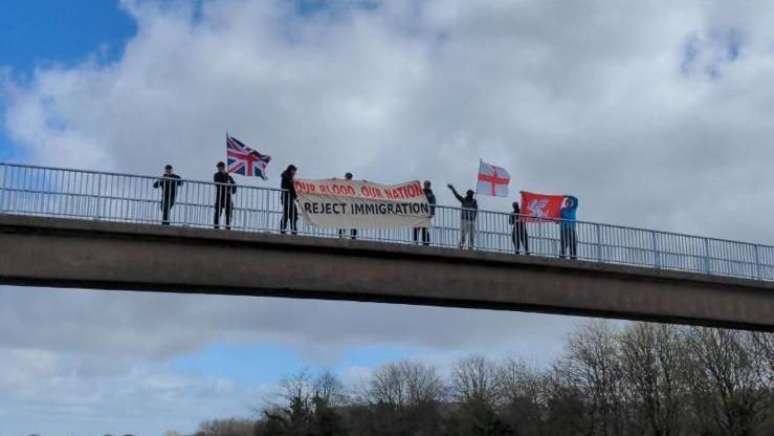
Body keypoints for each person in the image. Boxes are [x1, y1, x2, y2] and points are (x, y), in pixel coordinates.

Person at [448, 184, 478, 249]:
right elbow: (457, 195)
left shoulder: (474, 201)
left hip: (471, 220)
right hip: (464, 220)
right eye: (470, 194)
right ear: (467, 194)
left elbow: (476, 210)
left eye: (472, 194)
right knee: (463, 235)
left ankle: (470, 248)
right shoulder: (464, 200)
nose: (471, 195)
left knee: (471, 236)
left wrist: (473, 218)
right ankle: (460, 247)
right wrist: (452, 188)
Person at [213, 161, 237, 230]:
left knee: (229, 212)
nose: (220, 169)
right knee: (218, 212)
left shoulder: (229, 177)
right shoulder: (216, 175)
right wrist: (227, 183)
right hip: (220, 197)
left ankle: (227, 226)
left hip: (228, 197)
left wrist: (231, 189)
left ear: (223, 167)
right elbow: (218, 183)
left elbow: (234, 187)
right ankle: (216, 227)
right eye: (219, 168)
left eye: (221, 167)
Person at [413, 180, 436, 246]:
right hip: (419, 213)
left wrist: (431, 213)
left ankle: (425, 243)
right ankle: (415, 242)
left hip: (426, 214)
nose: (426, 185)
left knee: (424, 229)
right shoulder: (420, 193)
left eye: (427, 184)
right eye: (426, 184)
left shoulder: (431, 195)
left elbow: (433, 205)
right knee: (416, 228)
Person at [338, 172, 358, 240]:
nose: (348, 179)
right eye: (348, 177)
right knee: (344, 222)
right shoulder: (344, 185)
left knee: (350, 222)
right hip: (346, 207)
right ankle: (349, 237)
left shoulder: (353, 186)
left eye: (348, 177)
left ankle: (348, 236)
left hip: (350, 207)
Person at [280, 164, 298, 235]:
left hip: (289, 199)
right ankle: (284, 230)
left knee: (293, 214)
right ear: (291, 170)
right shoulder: (286, 176)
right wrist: (295, 196)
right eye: (294, 171)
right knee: (287, 214)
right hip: (287, 198)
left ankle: (293, 230)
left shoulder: (288, 177)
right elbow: (290, 187)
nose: (294, 173)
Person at [560, 195, 579, 259]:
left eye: (570, 202)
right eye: (568, 202)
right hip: (564, 228)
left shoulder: (573, 208)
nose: (569, 203)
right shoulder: (562, 210)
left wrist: (568, 196)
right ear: (566, 203)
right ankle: (562, 256)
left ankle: (573, 257)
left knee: (573, 243)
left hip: (572, 228)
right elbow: (558, 217)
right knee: (564, 243)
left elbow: (576, 200)